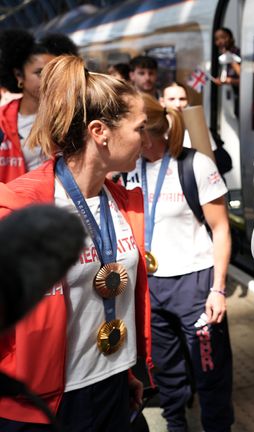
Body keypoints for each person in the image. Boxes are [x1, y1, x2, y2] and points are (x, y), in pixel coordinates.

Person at [0, 55, 152, 430]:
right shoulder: (22, 206)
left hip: (114, 387)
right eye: (139, 129)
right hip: (47, 406)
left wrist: (124, 369)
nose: (146, 141)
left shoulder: (121, 200)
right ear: (100, 131)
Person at [124, 93, 234, 431]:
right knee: (166, 371)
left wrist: (218, 288)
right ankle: (176, 426)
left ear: (146, 131)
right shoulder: (129, 169)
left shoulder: (195, 164)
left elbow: (221, 229)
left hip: (195, 284)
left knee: (210, 370)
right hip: (152, 284)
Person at [0, 29, 78, 182]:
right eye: (40, 73)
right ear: (19, 75)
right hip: (17, 202)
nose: (49, 80)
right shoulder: (2, 122)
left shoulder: (70, 113)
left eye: (53, 72)